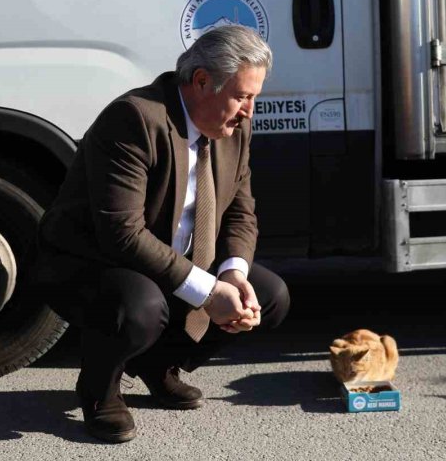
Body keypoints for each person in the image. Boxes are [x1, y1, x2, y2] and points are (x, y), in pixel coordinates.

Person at [34, 24, 290, 443]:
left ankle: (158, 366)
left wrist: (233, 276)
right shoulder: (135, 118)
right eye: (242, 96)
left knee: (269, 296)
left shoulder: (235, 128)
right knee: (141, 307)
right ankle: (99, 388)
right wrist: (208, 293)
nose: (249, 111)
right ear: (202, 81)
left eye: (254, 98)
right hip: (91, 262)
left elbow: (242, 211)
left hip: (171, 260)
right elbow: (121, 233)